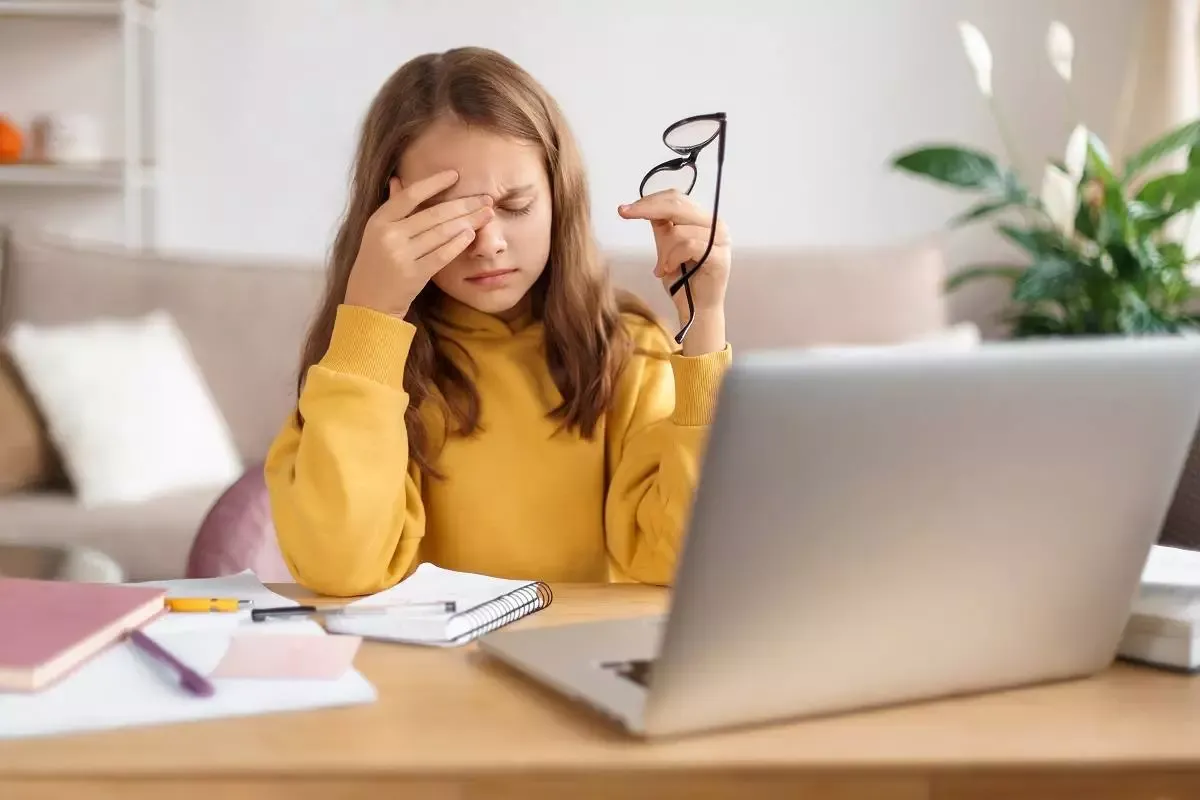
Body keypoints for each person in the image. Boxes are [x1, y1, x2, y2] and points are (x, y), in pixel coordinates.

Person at [264, 47, 733, 597]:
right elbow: (339, 568)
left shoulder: (626, 348)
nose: (489, 244)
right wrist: (372, 317)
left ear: (560, 197)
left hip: (570, 662)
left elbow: (681, 557)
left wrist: (704, 325)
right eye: (450, 216)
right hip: (426, 673)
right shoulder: (361, 365)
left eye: (514, 206)